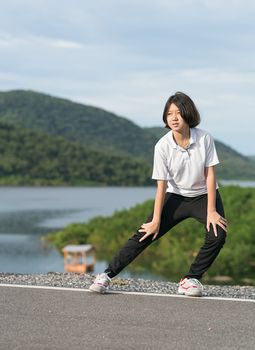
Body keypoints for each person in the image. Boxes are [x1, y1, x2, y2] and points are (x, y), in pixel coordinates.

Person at [89, 91, 228, 297]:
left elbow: (210, 175)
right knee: (146, 232)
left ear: (188, 114)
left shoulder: (204, 138)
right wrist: (155, 220)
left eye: (178, 113)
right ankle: (106, 275)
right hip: (176, 196)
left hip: (204, 196)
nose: (173, 117)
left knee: (218, 234)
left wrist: (211, 210)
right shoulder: (162, 146)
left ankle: (190, 279)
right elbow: (161, 186)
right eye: (169, 113)